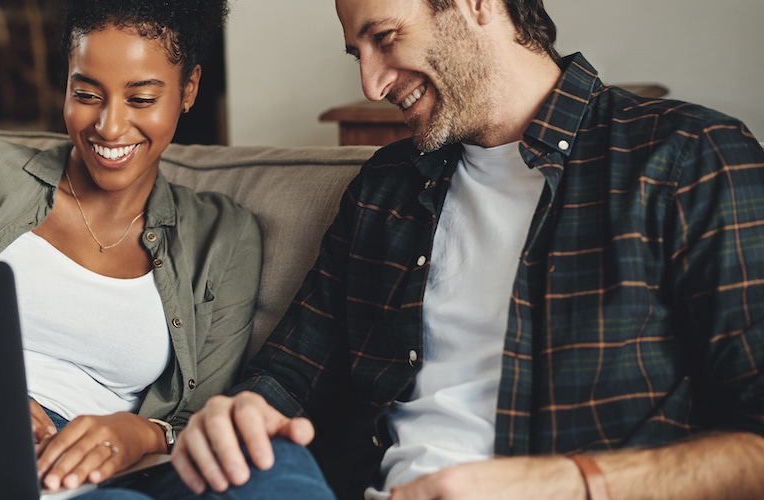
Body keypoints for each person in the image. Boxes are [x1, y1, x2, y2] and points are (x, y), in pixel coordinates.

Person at [163, 0, 764, 499]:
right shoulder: (386, 188)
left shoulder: (688, 158)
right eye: (359, 53)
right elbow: (291, 373)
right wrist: (238, 412)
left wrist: (566, 482)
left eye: (385, 37)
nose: (371, 84)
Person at [0, 0, 261, 497]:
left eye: (141, 99)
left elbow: (203, 419)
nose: (110, 127)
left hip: (80, 472)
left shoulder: (223, 236)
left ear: (188, 90)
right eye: (86, 93)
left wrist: (140, 433)